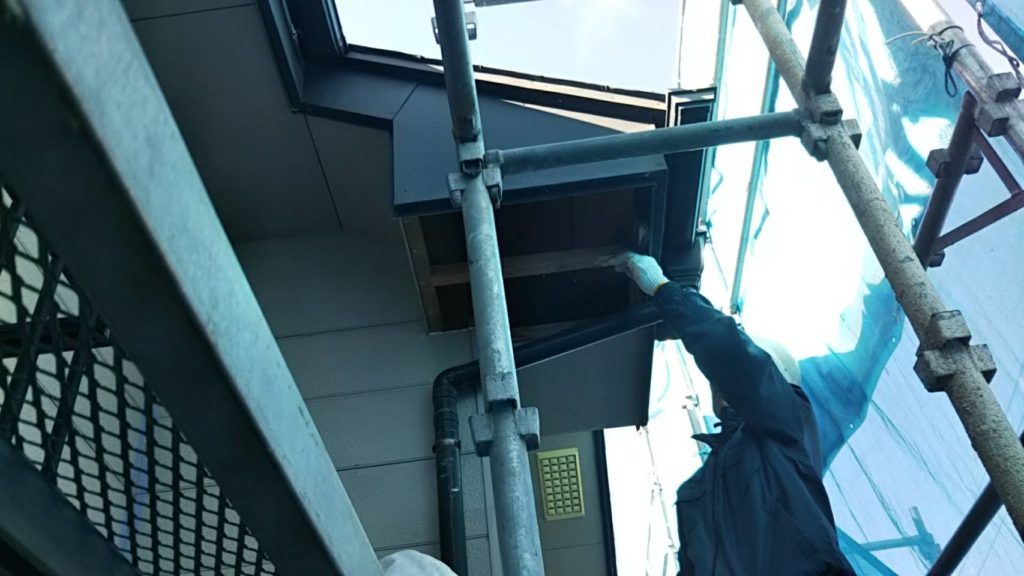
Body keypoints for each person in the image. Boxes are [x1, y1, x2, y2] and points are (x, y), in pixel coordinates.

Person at [615, 253, 855, 576]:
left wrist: (664, 290)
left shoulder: (786, 423)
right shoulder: (694, 492)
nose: (718, 385)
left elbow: (734, 357)